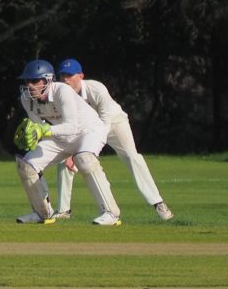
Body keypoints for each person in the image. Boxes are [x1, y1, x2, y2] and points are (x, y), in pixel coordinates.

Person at [53, 58, 173, 221]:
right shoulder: (61, 94)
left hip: (113, 123)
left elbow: (105, 121)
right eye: (62, 76)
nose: (65, 80)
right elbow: (68, 123)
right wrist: (71, 153)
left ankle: (158, 203)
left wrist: (89, 151)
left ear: (81, 76)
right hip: (86, 128)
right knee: (65, 161)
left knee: (132, 157)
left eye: (69, 75)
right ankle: (63, 210)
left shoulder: (97, 89)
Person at [13, 59, 122, 226]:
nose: (30, 85)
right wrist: (33, 137)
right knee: (27, 165)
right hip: (61, 137)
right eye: (27, 81)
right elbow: (38, 126)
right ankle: (43, 213)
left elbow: (72, 126)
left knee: (84, 159)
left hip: (89, 131)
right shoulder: (26, 98)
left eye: (35, 81)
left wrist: (44, 131)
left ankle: (111, 214)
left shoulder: (62, 91)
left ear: (48, 79)